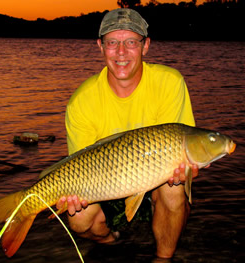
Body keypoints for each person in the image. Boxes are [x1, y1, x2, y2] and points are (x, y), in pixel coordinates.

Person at [57, 8, 200, 259]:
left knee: (174, 185)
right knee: (79, 220)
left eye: (131, 42)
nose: (121, 52)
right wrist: (72, 195)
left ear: (145, 46)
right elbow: (78, 167)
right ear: (100, 46)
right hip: (107, 184)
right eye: (113, 42)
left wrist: (187, 168)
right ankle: (113, 243)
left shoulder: (170, 83)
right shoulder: (81, 102)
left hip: (155, 181)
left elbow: (180, 148)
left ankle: (163, 258)